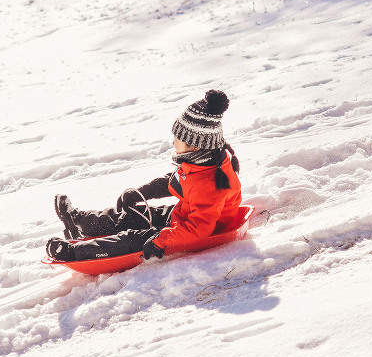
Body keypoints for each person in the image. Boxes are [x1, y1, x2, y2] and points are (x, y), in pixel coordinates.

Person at [45, 89, 242, 262]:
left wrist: (161, 239)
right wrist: (140, 193)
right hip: (183, 215)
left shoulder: (211, 183)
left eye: (177, 138)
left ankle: (73, 252)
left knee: (133, 238)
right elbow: (176, 182)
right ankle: (80, 222)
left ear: (195, 144)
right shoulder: (203, 162)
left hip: (190, 231)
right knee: (133, 216)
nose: (173, 142)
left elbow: (199, 229)